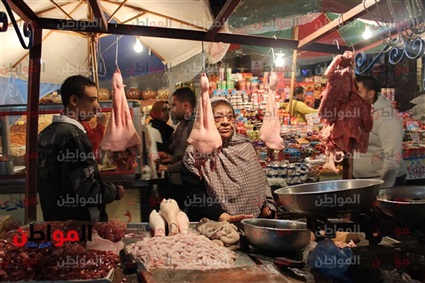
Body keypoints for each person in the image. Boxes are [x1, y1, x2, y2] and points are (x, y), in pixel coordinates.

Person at [37, 75, 124, 222]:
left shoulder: (45, 134)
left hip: (55, 224)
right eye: (92, 100)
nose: (97, 106)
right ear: (74, 101)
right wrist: (115, 191)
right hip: (80, 227)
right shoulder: (73, 136)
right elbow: (85, 190)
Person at [182, 97, 276, 222]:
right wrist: (223, 217)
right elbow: (196, 195)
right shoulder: (195, 154)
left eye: (230, 117)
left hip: (253, 223)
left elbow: (261, 181)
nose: (226, 122)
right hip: (216, 225)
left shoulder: (245, 146)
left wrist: (266, 206)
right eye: (218, 118)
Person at [353, 75, 407, 188]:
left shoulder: (386, 116)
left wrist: (384, 187)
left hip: (382, 182)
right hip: (365, 181)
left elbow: (392, 156)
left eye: (358, 92)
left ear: (371, 94)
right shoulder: (361, 113)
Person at [157, 87, 196, 208]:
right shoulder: (182, 124)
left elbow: (190, 161)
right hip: (178, 183)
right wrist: (170, 157)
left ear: (186, 106)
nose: (172, 110)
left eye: (174, 105)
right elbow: (181, 155)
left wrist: (168, 168)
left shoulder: (194, 127)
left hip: (187, 185)